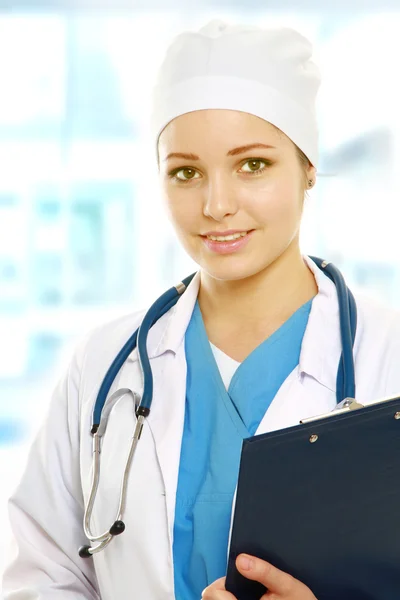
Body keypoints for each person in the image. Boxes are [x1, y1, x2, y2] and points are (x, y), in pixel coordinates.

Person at [2, 18, 400, 600]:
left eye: (253, 165)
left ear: (308, 167)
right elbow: (44, 578)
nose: (216, 205)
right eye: (186, 172)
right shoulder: (104, 366)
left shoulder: (386, 355)